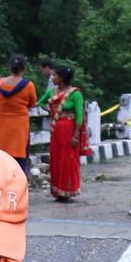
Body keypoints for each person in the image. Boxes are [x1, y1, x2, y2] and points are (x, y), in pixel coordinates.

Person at [46, 66, 87, 202]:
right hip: (57, 130)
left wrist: (76, 135)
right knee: (56, 158)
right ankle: (58, 190)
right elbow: (40, 103)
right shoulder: (53, 92)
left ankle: (67, 190)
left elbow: (80, 117)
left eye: (55, 75)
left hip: (69, 130)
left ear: (62, 78)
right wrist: (51, 110)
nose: (53, 78)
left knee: (68, 159)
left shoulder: (75, 94)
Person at [0, 55, 37, 176]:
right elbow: (32, 103)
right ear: (24, 68)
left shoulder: (0, 83)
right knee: (20, 155)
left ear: (10, 67)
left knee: (3, 155)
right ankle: (18, 183)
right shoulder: (28, 85)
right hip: (20, 125)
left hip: (2, 123)